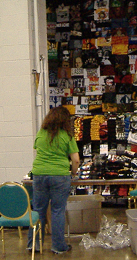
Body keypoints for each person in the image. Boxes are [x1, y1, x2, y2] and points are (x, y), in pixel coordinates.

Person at [27, 106, 80, 254]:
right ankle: (58, 246)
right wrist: (73, 174)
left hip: (39, 175)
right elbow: (75, 160)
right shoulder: (66, 136)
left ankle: (34, 245)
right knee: (57, 211)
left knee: (38, 211)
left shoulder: (41, 133)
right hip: (59, 176)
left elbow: (38, 150)